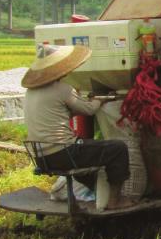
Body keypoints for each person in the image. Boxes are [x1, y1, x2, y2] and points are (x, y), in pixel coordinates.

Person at [21, 44, 135, 210]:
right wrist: (101, 99)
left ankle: (94, 195)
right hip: (64, 152)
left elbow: (58, 115)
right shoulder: (62, 89)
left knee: (89, 148)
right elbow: (89, 110)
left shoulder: (30, 92)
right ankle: (114, 201)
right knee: (117, 148)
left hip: (41, 156)